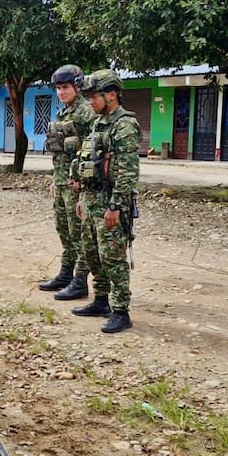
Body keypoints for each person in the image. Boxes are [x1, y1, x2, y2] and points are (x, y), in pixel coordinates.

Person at [70, 69, 140, 332]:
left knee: (112, 257)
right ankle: (101, 300)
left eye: (94, 96)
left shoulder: (124, 125)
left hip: (110, 203)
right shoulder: (100, 122)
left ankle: (121, 310)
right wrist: (82, 199)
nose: (90, 101)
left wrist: (115, 206)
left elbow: (127, 172)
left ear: (111, 95)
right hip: (90, 199)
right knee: (91, 253)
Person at [38, 64, 97, 301]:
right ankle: (66, 272)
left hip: (77, 183)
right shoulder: (64, 112)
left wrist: (82, 180)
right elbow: (61, 152)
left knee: (80, 232)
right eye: (58, 88)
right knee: (64, 229)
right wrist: (56, 178)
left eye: (65, 87)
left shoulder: (86, 112)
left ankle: (80, 280)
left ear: (77, 87)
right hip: (62, 181)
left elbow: (92, 148)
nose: (61, 93)